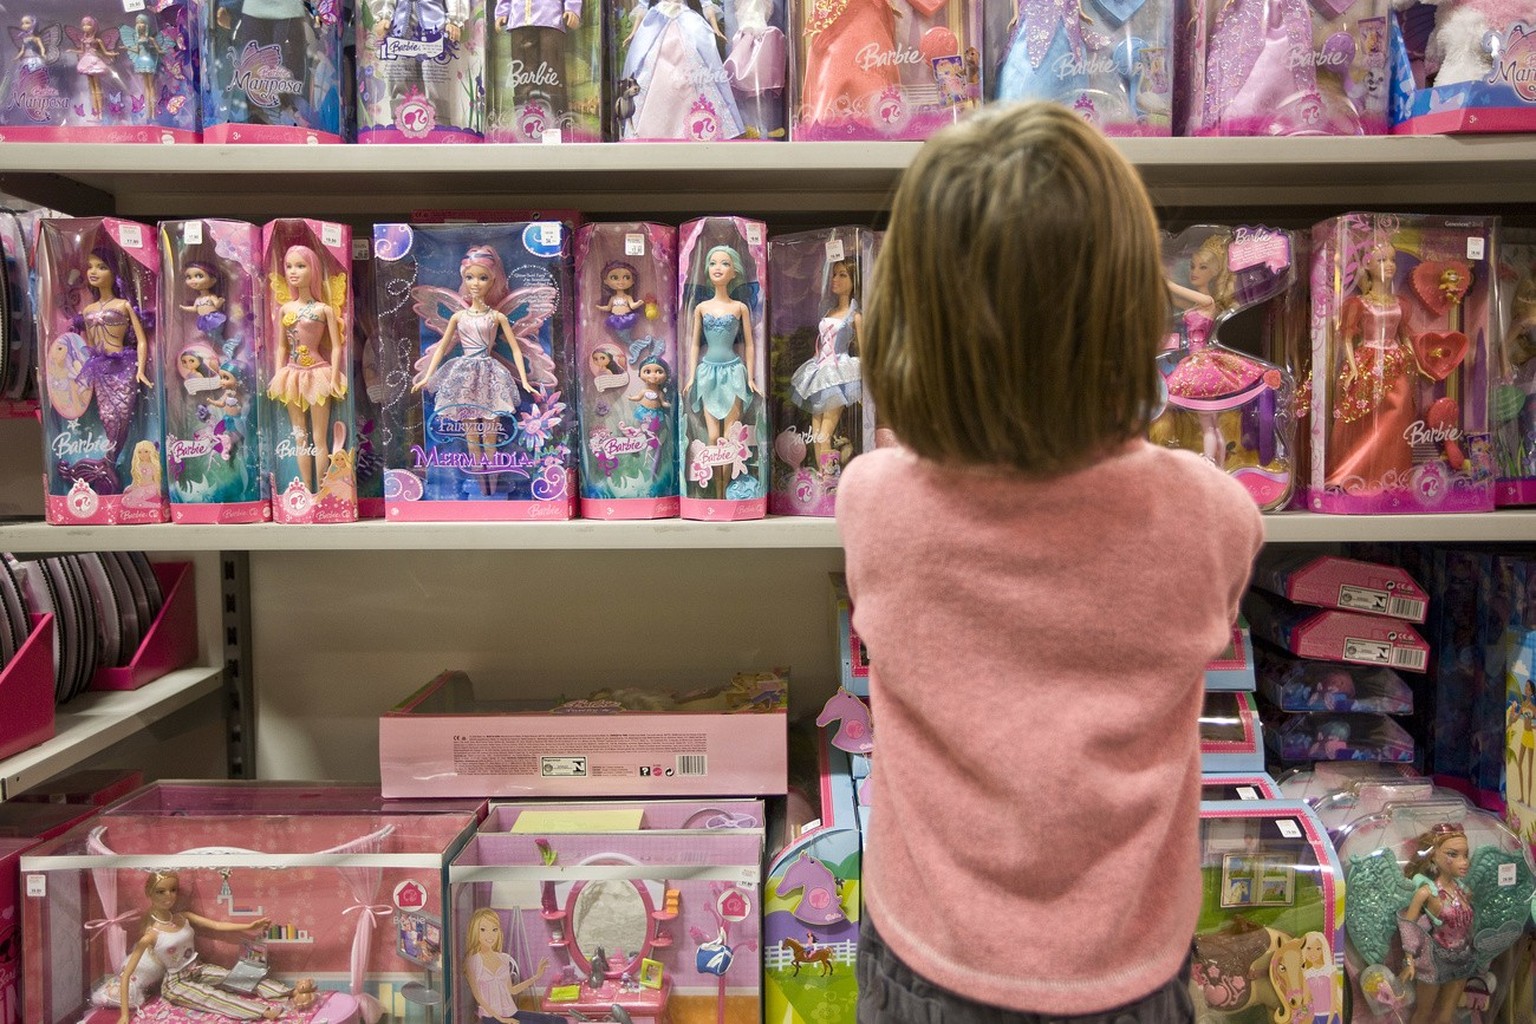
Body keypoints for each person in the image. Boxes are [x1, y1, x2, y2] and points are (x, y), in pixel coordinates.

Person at [835, 102, 1263, 1023]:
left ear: (909, 316)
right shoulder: (1211, 514)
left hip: (928, 957)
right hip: (1129, 969)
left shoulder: (872, 502)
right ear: (1132, 312)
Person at [118, 870, 316, 1023]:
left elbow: (217, 925)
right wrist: (124, 1015)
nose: (169, 896)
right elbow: (126, 975)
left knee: (238, 978)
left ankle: (288, 993)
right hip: (176, 983)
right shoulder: (150, 935)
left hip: (197, 968)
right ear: (149, 893)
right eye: (161, 891)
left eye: (173, 890)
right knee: (212, 997)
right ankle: (262, 1011)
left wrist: (249, 925)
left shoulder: (182, 917)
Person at [267, 244, 346, 493]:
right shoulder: (285, 309)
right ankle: (307, 489)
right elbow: (280, 346)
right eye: (289, 266)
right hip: (291, 374)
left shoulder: (324, 310)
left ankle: (320, 491)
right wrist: (278, 373)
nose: (293, 271)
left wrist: (334, 378)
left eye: (300, 266)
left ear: (313, 269)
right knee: (300, 437)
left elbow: (336, 348)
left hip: (318, 374)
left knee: (319, 438)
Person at [1400, 824, 1476, 1024]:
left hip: (1462, 957)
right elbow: (1409, 925)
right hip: (1434, 961)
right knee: (1423, 1013)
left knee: (1446, 1015)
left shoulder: (1463, 890)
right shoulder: (1427, 892)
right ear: (1433, 856)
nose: (1463, 862)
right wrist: (1409, 961)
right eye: (1453, 854)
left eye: (1465, 855)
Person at [461, 908, 565, 1024]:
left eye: (494, 930)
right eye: (483, 930)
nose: (490, 935)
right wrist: (502, 1019)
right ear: (475, 931)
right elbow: (479, 998)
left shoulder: (504, 958)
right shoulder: (472, 962)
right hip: (491, 1018)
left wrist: (536, 976)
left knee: (559, 1021)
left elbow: (512, 990)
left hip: (510, 1012)